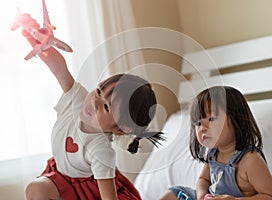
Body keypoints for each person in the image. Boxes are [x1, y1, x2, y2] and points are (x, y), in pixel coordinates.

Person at [19, 15, 164, 200]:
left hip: (90, 193)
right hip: (62, 178)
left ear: (120, 129)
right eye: (98, 91)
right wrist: (36, 39)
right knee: (35, 189)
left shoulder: (100, 150)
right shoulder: (77, 101)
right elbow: (58, 67)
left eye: (105, 107)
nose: (94, 101)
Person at [160, 86, 272, 200]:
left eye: (211, 119)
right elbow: (203, 180)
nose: (203, 128)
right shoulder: (213, 154)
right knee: (172, 194)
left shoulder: (250, 160)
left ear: (236, 119)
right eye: (198, 123)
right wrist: (202, 196)